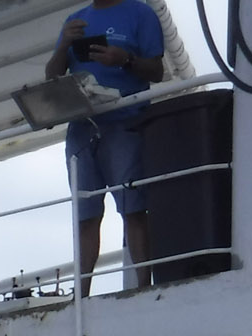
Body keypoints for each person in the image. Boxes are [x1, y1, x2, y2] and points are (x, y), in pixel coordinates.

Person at [46, 0, 165, 292]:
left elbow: (157, 71)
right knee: (86, 215)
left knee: (133, 208)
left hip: (125, 122)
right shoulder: (76, 19)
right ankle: (81, 294)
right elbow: (52, 77)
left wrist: (125, 60)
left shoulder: (141, 13)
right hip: (82, 126)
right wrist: (64, 46)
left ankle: (143, 285)